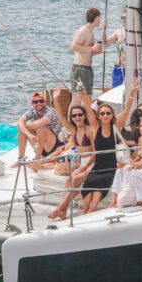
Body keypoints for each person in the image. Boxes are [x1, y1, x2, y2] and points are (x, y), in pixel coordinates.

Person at [78, 83, 137, 215]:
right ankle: (84, 212)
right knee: (89, 185)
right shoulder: (94, 126)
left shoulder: (116, 126)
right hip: (97, 166)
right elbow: (88, 108)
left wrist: (132, 94)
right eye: (103, 113)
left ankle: (91, 211)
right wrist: (82, 93)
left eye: (108, 113)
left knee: (99, 186)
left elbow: (127, 109)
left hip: (111, 166)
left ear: (111, 115)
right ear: (98, 115)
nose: (105, 115)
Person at [48, 89, 97, 220]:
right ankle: (63, 211)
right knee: (69, 182)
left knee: (74, 179)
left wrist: (84, 168)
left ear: (84, 115)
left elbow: (96, 152)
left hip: (93, 164)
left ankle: (60, 209)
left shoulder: (89, 130)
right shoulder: (73, 130)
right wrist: (56, 100)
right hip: (82, 163)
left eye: (80, 114)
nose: (77, 118)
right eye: (74, 116)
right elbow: (61, 118)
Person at [15, 92, 63, 165]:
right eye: (35, 102)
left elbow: (39, 123)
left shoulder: (51, 111)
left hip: (55, 147)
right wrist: (29, 134)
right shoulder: (32, 111)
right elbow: (19, 122)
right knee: (22, 130)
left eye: (41, 101)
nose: (38, 103)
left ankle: (37, 160)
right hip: (40, 148)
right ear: (32, 103)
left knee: (40, 128)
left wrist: (25, 125)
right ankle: (21, 159)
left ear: (45, 102)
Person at [71, 7, 103, 95]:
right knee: (77, 98)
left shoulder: (91, 32)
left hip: (88, 69)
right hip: (79, 69)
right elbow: (74, 46)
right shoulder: (83, 31)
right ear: (95, 18)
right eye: (99, 18)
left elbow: (87, 52)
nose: (100, 20)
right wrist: (92, 49)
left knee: (88, 97)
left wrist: (96, 52)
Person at [104, 10, 126, 88]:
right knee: (115, 89)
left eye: (125, 17)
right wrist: (104, 29)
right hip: (118, 66)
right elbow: (105, 43)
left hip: (129, 67)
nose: (123, 19)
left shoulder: (135, 33)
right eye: (122, 17)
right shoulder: (118, 32)